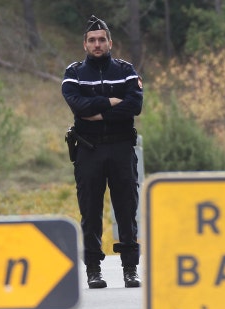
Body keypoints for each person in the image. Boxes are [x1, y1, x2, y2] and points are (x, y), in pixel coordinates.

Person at [61, 15, 143, 289]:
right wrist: (109, 101)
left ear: (110, 42)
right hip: (89, 150)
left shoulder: (126, 70)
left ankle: (130, 269)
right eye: (92, 40)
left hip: (121, 148)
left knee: (127, 210)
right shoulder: (73, 74)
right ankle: (94, 269)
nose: (97, 44)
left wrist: (96, 110)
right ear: (84, 44)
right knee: (90, 211)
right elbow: (78, 108)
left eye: (102, 40)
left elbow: (134, 106)